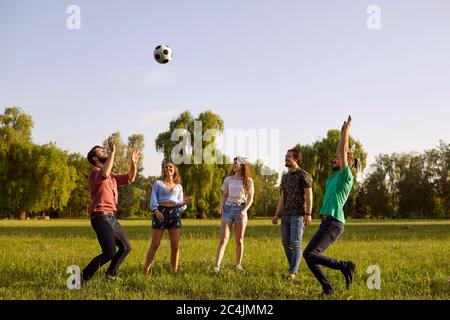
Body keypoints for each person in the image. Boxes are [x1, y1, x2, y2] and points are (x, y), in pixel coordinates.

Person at [303, 115, 358, 296]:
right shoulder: (335, 175)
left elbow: (343, 151)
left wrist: (347, 130)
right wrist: (342, 133)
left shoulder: (346, 176)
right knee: (310, 256)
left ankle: (344, 266)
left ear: (347, 163)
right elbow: (341, 150)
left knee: (310, 254)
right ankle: (328, 289)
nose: (334, 159)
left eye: (338, 159)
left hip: (334, 222)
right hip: (327, 222)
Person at [82, 136, 140, 282]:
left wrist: (133, 164)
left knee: (126, 247)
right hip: (100, 216)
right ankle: (82, 277)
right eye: (101, 151)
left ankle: (110, 274)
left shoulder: (112, 176)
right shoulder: (95, 171)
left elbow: (129, 178)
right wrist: (113, 152)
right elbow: (105, 173)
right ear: (95, 158)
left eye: (104, 150)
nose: (104, 151)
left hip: (112, 218)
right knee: (109, 252)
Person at [143, 162, 191, 274]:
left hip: (175, 214)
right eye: (166, 167)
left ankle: (174, 271)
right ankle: (145, 270)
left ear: (174, 171)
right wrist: (156, 210)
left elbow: (179, 204)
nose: (168, 168)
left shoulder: (179, 186)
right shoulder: (158, 184)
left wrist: (185, 202)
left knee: (175, 245)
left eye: (171, 167)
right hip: (160, 212)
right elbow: (153, 198)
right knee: (155, 244)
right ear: (164, 171)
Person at [272, 148, 313, 280]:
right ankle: (293, 268)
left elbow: (309, 195)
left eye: (289, 156)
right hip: (285, 215)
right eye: (285, 156)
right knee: (285, 243)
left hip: (298, 215)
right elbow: (283, 197)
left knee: (295, 243)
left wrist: (308, 213)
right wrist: (277, 214)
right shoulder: (285, 177)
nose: (286, 158)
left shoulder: (304, 175)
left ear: (296, 159)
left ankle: (292, 272)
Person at [214, 156, 254, 273]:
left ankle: (238, 265)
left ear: (242, 165)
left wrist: (245, 209)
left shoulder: (248, 180)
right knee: (223, 239)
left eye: (236, 163)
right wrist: (221, 207)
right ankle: (216, 266)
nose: (234, 165)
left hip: (241, 209)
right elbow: (225, 195)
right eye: (234, 163)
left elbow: (250, 198)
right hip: (228, 208)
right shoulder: (228, 179)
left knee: (239, 240)